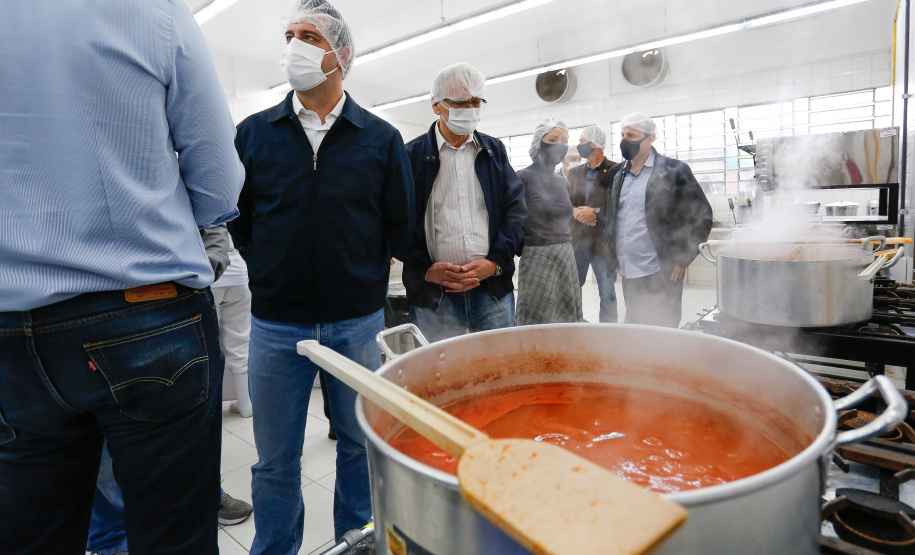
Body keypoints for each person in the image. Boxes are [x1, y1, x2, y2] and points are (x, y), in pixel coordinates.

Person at [0, 2, 244, 553]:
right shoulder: (148, 9)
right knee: (172, 534)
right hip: (143, 308)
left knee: (30, 532)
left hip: (11, 331)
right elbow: (218, 179)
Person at [229, 1, 414, 551]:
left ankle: (355, 543)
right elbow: (239, 217)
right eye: (289, 34)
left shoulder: (379, 138)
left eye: (308, 35)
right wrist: (269, 266)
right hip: (275, 326)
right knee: (275, 459)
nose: (294, 46)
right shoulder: (255, 134)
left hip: (355, 322)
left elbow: (397, 224)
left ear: (342, 55)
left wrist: (359, 275)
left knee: (359, 447)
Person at [402, 62, 526, 342]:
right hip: (435, 296)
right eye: (460, 103)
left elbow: (515, 212)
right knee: (441, 375)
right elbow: (396, 221)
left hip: (491, 291)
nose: (470, 110)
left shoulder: (493, 151)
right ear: (436, 106)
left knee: (500, 369)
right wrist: (425, 269)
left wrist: (494, 263)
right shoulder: (410, 157)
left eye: (475, 102)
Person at [603, 113, 713, 328]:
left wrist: (684, 257)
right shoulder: (617, 174)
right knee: (635, 323)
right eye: (623, 135)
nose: (625, 141)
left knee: (663, 326)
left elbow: (702, 215)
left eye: (632, 135)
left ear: (650, 138)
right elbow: (612, 216)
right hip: (628, 268)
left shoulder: (674, 171)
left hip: (661, 267)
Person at [515, 118, 583, 325]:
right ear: (539, 143)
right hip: (537, 255)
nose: (560, 145)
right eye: (553, 139)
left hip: (565, 254)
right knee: (537, 319)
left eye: (564, 140)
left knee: (567, 317)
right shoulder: (523, 177)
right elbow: (513, 220)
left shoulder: (563, 181)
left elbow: (564, 216)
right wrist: (525, 248)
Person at [569, 125, 618, 323]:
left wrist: (595, 211)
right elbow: (566, 201)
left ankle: (608, 333)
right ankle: (575, 325)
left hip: (602, 245)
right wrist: (574, 211)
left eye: (581, 142)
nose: (578, 146)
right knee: (572, 290)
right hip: (577, 243)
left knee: (607, 293)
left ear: (595, 144)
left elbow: (618, 205)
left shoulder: (616, 170)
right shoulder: (574, 173)